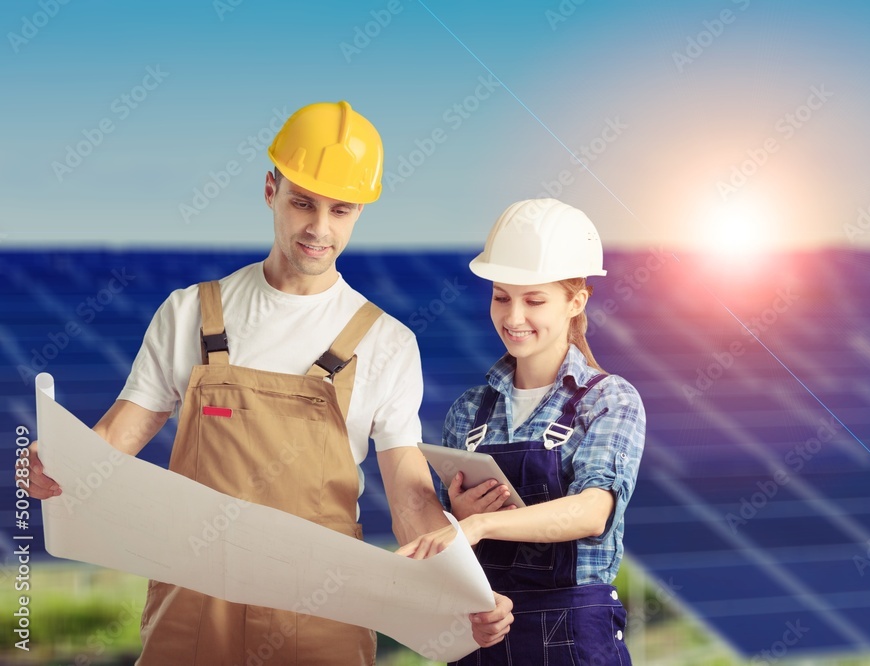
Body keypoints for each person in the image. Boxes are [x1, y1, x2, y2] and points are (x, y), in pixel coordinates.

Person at [25, 101, 513, 665]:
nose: (319, 228)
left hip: (323, 610)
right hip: (191, 605)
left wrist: (465, 592)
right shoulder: (190, 313)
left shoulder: (387, 343)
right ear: (269, 189)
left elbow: (409, 499)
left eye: (341, 210)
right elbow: (113, 440)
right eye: (302, 202)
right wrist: (57, 464)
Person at [399, 198, 646, 665]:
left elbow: (593, 511)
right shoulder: (468, 412)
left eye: (534, 300)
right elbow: (447, 547)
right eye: (501, 296)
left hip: (574, 636)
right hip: (483, 633)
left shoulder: (607, 399)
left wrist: (481, 522)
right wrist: (455, 515)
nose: (513, 318)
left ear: (576, 301)